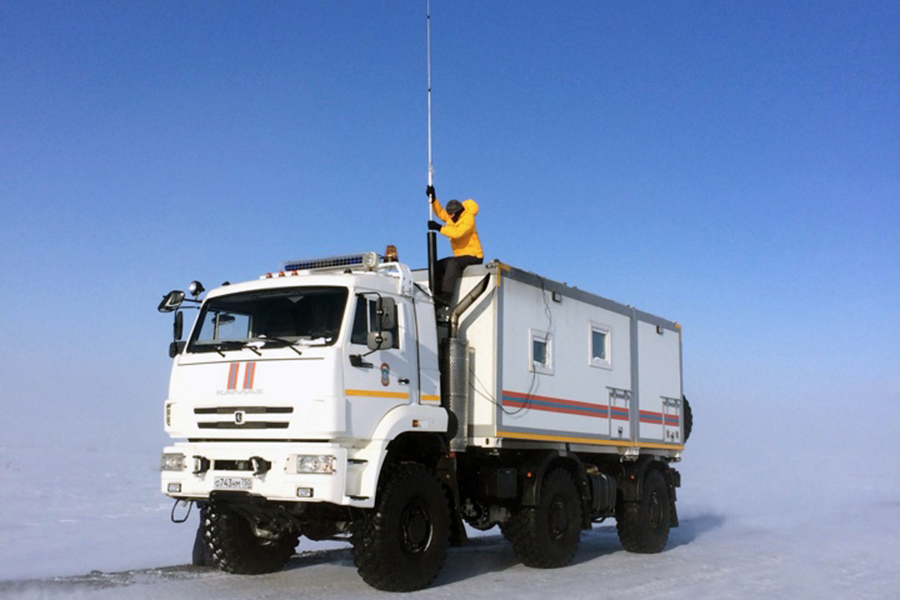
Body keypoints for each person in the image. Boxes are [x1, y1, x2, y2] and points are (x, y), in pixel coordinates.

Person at [426, 185, 484, 306]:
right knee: (438, 265)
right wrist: (433, 199)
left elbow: (458, 233)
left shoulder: (468, 219)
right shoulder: (454, 218)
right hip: (461, 256)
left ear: (457, 212)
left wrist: (439, 227)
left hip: (474, 256)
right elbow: (442, 214)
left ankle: (447, 296)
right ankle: (435, 293)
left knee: (453, 264)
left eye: (451, 214)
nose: (449, 217)